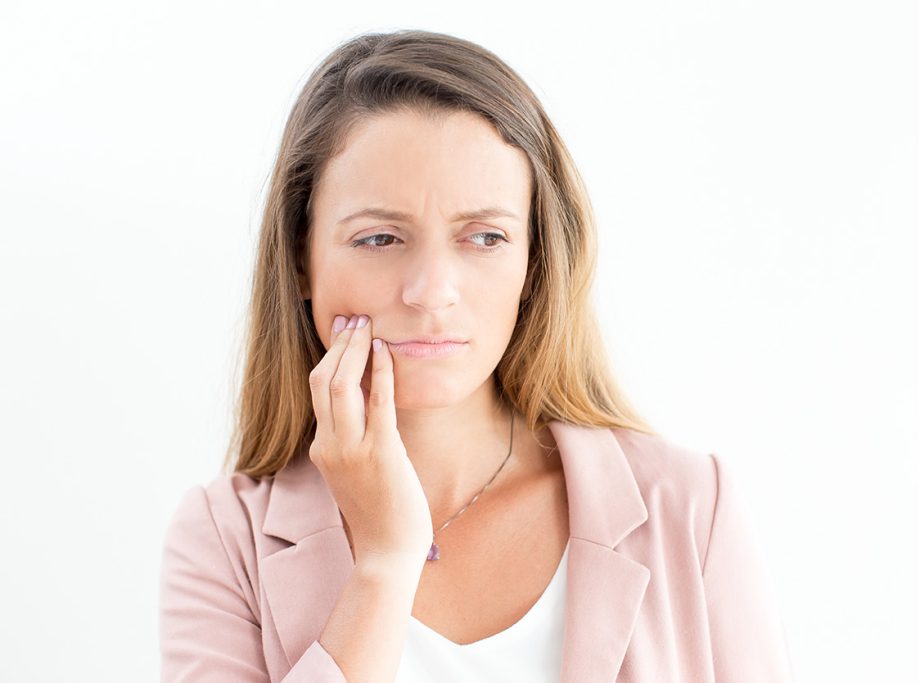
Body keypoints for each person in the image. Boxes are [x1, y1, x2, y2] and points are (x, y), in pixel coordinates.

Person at [158, 29, 793, 683]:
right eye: (380, 237)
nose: (432, 291)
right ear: (301, 259)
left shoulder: (688, 505)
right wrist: (384, 562)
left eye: (485, 236)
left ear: (534, 259)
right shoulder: (223, 537)